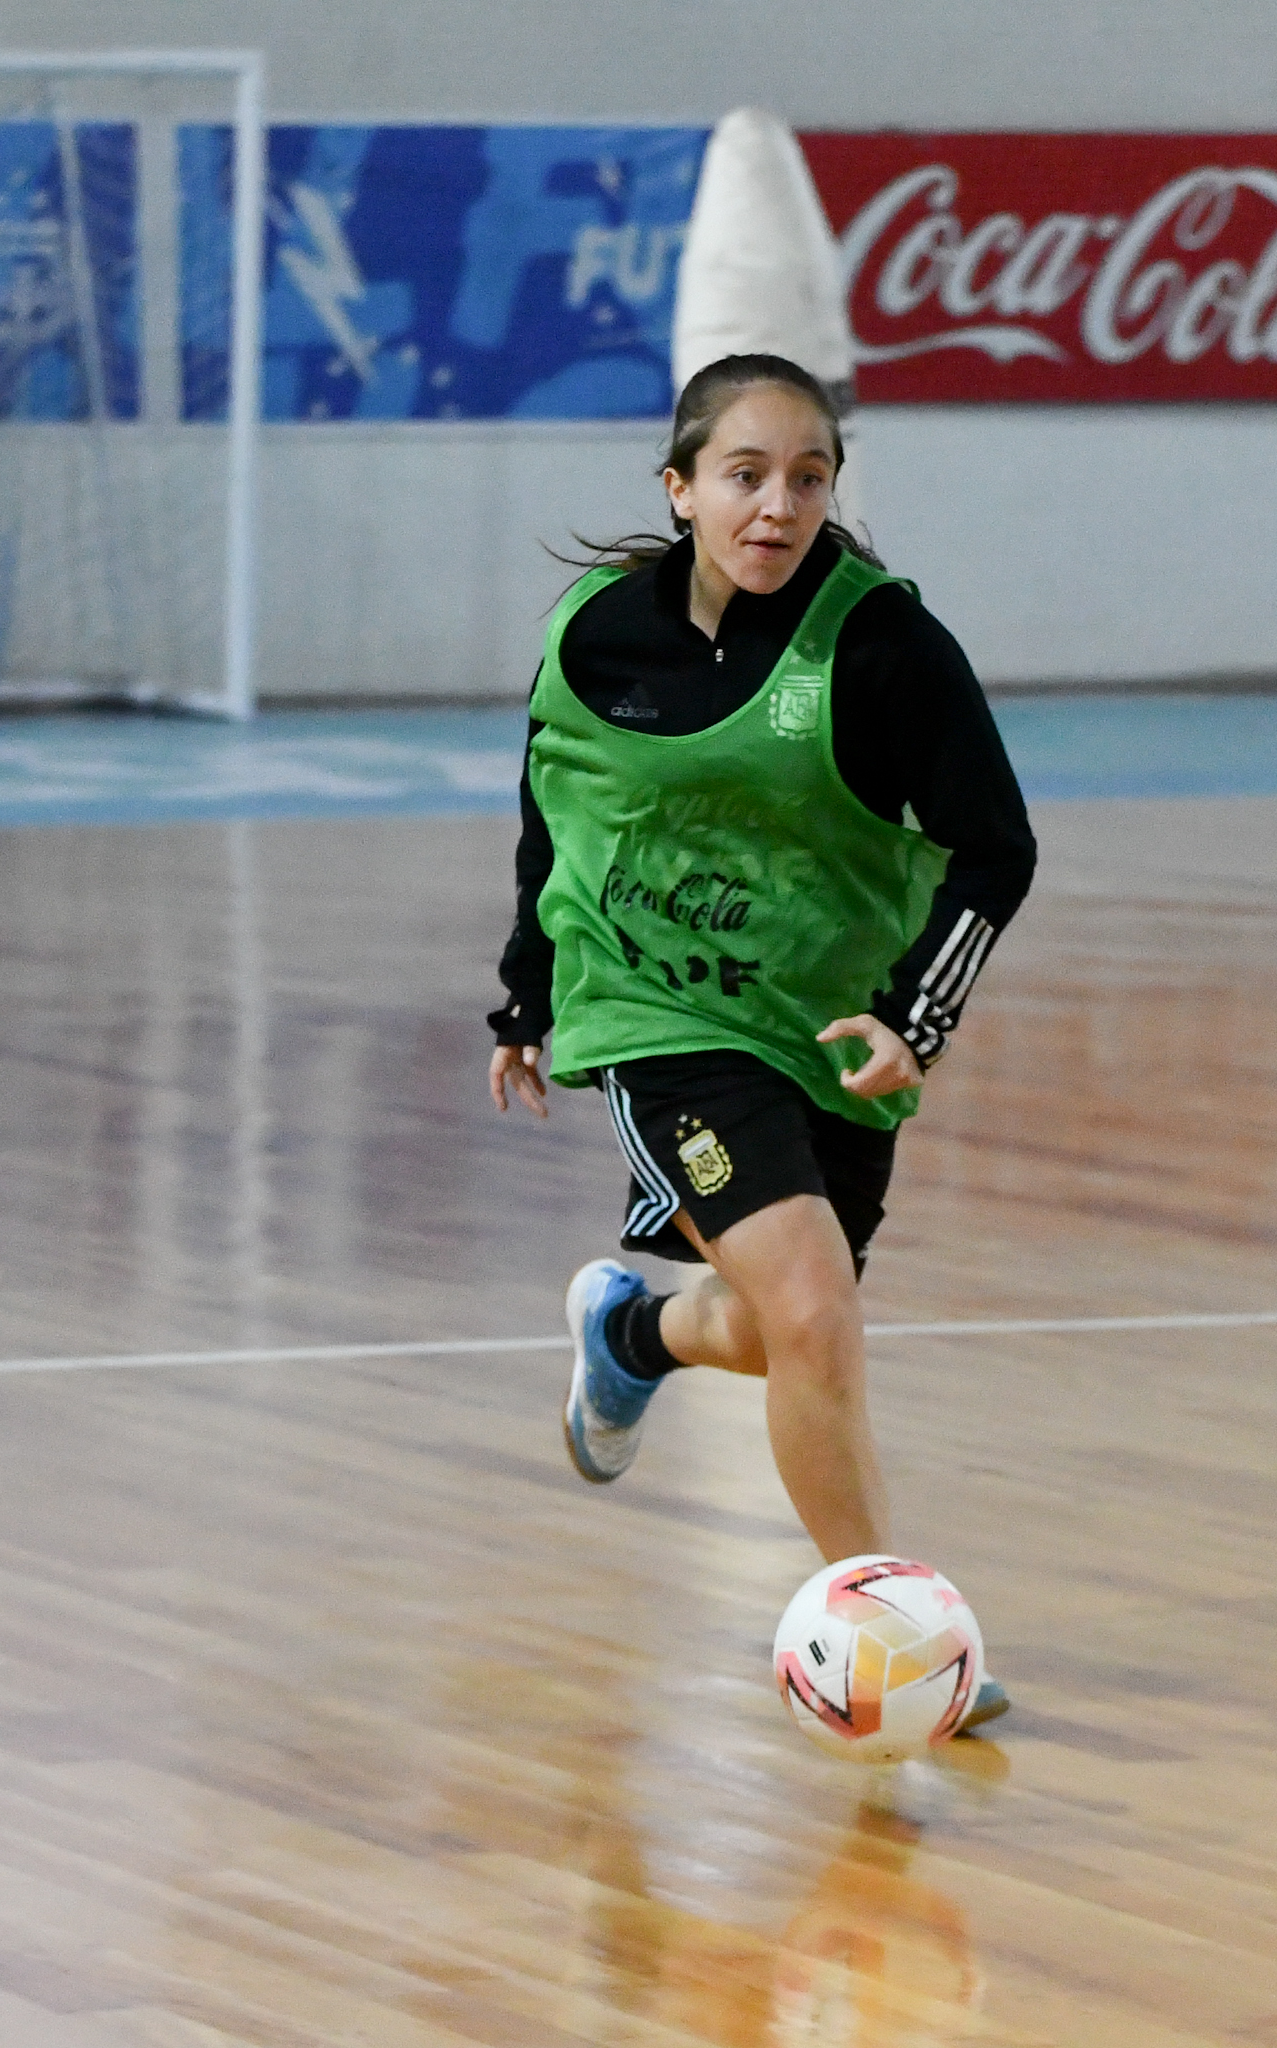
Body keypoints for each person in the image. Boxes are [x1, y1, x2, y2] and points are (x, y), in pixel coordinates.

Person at [488, 352, 1038, 1735]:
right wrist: (527, 993)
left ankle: (637, 1330)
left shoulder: (886, 649)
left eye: (809, 475)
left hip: (830, 1026)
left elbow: (996, 848)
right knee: (811, 1307)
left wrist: (916, 1014)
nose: (777, 503)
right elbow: (560, 808)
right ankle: (891, 1641)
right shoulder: (599, 637)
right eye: (745, 474)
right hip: (662, 1017)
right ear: (680, 490)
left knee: (803, 1329)